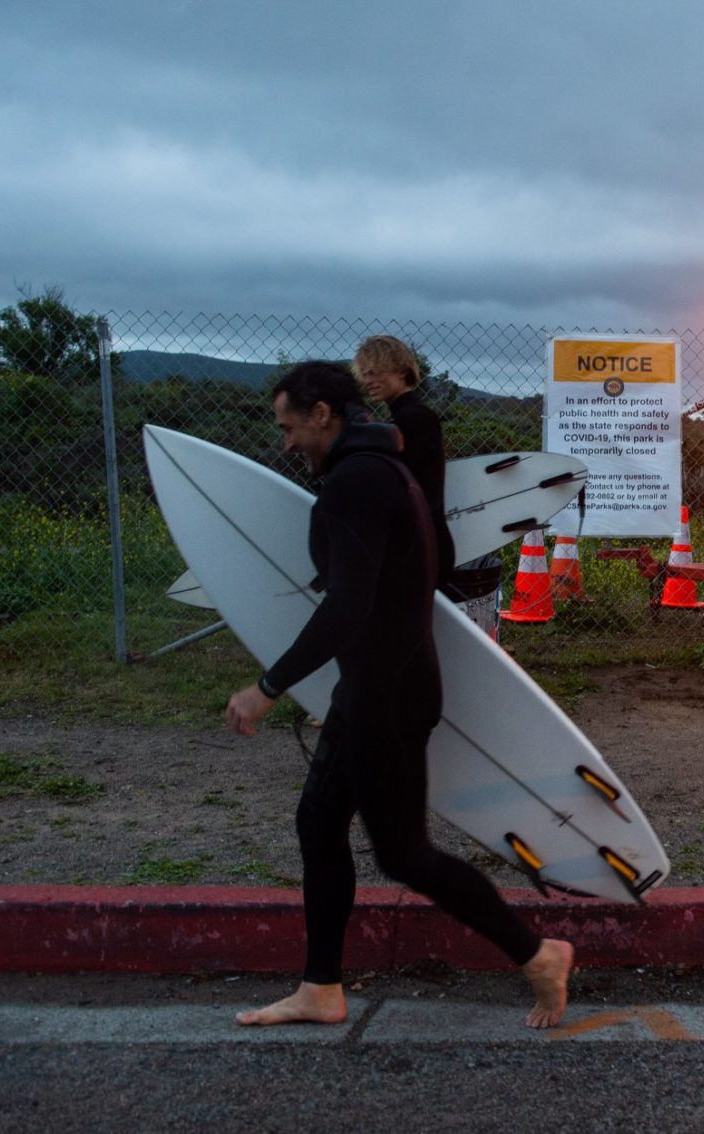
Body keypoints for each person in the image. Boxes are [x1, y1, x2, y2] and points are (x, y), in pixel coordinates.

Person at [224, 360, 572, 1029]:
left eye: (290, 425)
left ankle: (538, 954)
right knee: (319, 824)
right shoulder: (383, 469)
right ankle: (321, 987)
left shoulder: (358, 481)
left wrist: (268, 688)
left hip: (388, 693)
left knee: (404, 853)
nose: (286, 442)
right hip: (377, 686)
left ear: (323, 412)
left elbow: (347, 607)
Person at [353, 335, 459, 594]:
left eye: (375, 372)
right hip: (424, 542)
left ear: (401, 372)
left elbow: (409, 490)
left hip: (419, 547)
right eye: (365, 374)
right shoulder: (411, 416)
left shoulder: (412, 419)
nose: (368, 381)